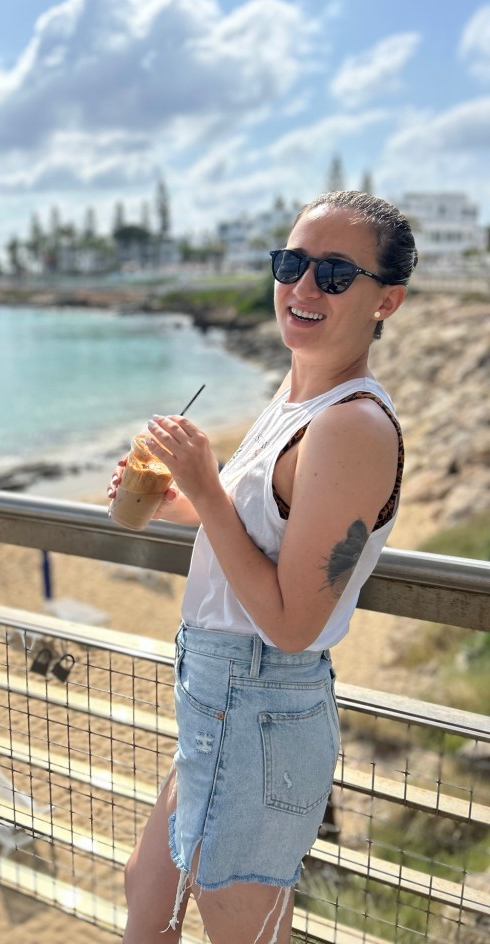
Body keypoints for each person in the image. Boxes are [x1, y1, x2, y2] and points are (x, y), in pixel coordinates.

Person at [107, 190, 417, 944]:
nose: (304, 286)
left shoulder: (351, 426)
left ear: (387, 300)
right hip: (216, 694)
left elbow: (292, 624)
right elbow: (263, 531)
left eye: (335, 274)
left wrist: (208, 487)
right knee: (147, 890)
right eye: (291, 264)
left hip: (259, 700)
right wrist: (182, 501)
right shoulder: (296, 391)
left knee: (238, 929)